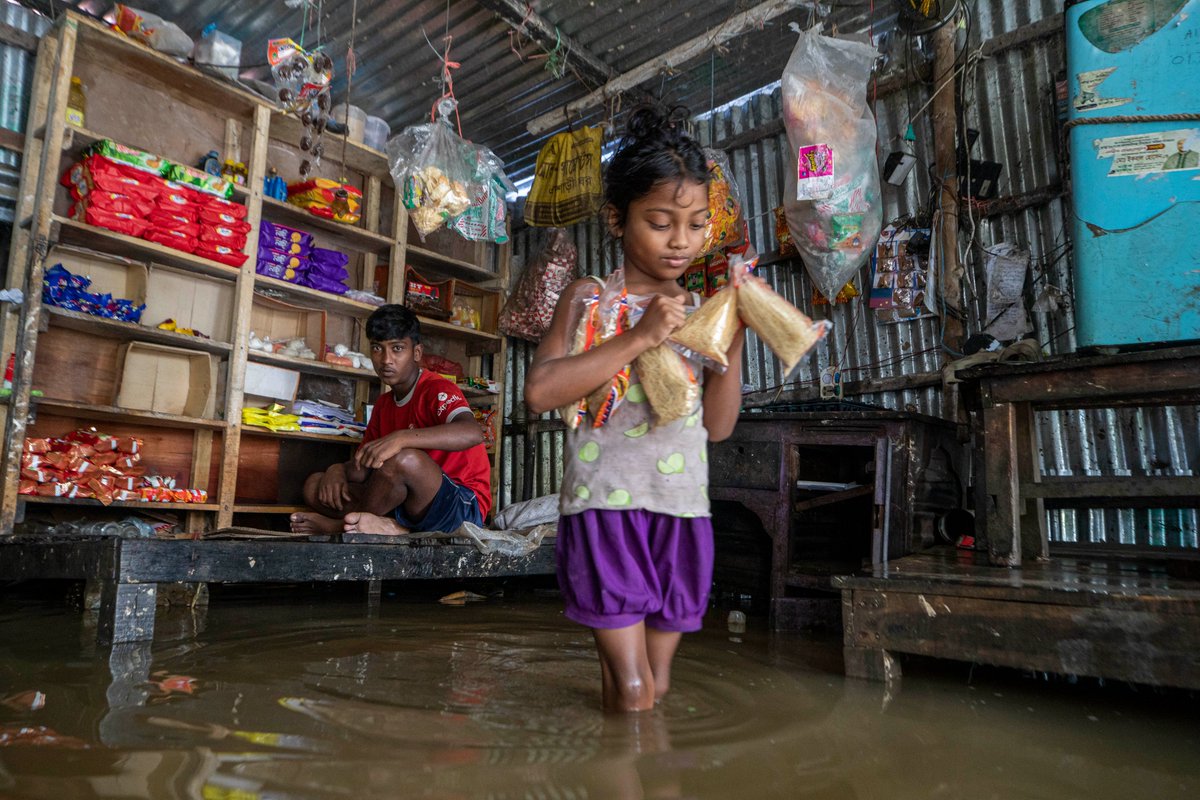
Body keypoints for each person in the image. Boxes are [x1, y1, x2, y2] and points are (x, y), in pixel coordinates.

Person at [523, 107, 747, 713]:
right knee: (634, 688)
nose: (681, 240)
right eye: (660, 222)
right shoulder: (589, 298)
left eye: (697, 224)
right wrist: (639, 337)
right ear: (617, 219)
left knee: (655, 685)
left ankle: (623, 768)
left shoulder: (704, 313)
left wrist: (736, 335)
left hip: (682, 512)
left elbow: (719, 427)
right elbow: (541, 392)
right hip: (606, 507)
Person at [289, 304, 491, 536]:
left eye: (397, 348)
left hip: (462, 507)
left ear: (416, 353)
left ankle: (344, 528)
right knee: (316, 484)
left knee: (404, 460)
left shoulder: (437, 388)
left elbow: (472, 432)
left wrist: (401, 438)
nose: (386, 360)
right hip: (408, 503)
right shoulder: (384, 404)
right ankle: (393, 527)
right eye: (377, 348)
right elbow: (363, 468)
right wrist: (337, 470)